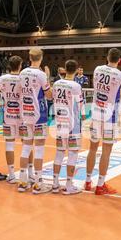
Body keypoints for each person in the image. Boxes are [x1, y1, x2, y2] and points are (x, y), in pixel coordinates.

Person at [84, 48, 121, 195]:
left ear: (107, 57)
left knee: (92, 148)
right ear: (120, 60)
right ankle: (100, 185)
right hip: (110, 115)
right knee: (106, 151)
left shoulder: (97, 69)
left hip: (96, 112)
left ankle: (88, 181)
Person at [18, 48, 53, 194]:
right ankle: (38, 183)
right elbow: (49, 96)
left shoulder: (22, 72)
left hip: (25, 113)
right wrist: (49, 77)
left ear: (29, 57)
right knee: (38, 148)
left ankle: (22, 181)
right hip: (39, 115)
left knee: (26, 147)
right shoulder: (41, 74)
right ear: (41, 58)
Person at [52, 60, 86, 195]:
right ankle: (68, 185)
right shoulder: (76, 86)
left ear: (65, 69)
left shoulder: (56, 84)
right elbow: (81, 106)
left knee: (59, 152)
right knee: (72, 153)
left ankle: (55, 184)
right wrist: (83, 118)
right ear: (77, 70)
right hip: (73, 125)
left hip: (60, 122)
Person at [0, 55, 23, 184]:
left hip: (8, 116)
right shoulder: (23, 78)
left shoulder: (2, 78)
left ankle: (12, 174)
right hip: (22, 117)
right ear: (20, 66)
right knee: (27, 144)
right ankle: (28, 174)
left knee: (9, 144)